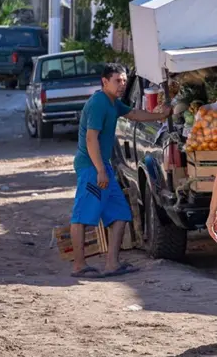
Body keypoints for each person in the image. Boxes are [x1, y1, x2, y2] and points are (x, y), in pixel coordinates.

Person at [70, 63, 172, 278]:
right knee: (82, 216)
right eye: (118, 81)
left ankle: (112, 264)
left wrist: (160, 116)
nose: (122, 85)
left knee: (121, 214)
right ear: (104, 81)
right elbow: (91, 139)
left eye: (124, 81)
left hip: (102, 165)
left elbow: (134, 114)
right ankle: (79, 266)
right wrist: (100, 170)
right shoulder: (98, 103)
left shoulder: (113, 103)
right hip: (91, 166)